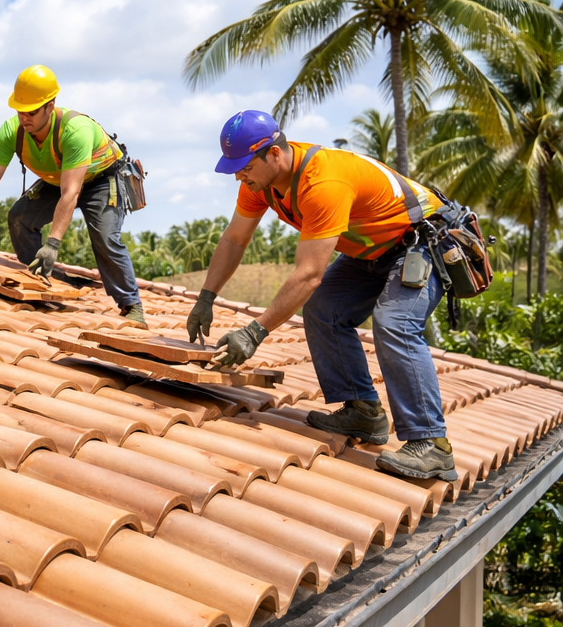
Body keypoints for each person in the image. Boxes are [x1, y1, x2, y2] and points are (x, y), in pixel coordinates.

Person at [186, 109, 458, 481]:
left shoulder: (323, 182)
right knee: (323, 308)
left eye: (245, 166)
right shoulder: (259, 184)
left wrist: (253, 333)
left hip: (424, 241)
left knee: (394, 322)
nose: (239, 176)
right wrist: (206, 297)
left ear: (275, 154)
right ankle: (364, 412)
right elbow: (235, 239)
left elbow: (309, 274)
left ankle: (432, 445)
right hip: (372, 251)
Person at [0, 65, 146, 326]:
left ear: (50, 106)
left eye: (31, 112)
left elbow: (71, 192)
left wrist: (53, 244)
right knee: (19, 217)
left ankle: (131, 304)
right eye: (20, 111)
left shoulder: (75, 130)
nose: (24, 118)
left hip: (101, 179)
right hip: (60, 177)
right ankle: (43, 277)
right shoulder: (11, 131)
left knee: (105, 238)